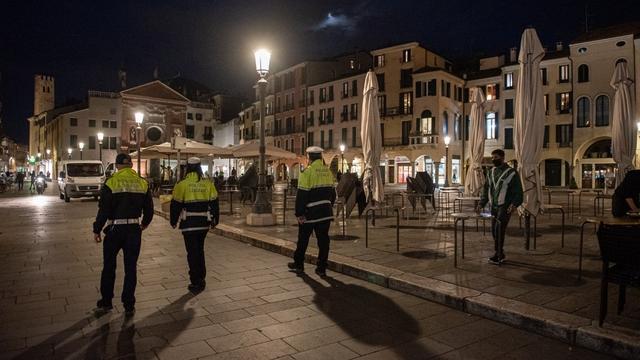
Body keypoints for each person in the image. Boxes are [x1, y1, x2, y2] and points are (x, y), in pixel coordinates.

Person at [92, 153, 154, 316]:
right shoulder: (142, 183)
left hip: (114, 230)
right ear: (131, 166)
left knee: (109, 267)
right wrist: (144, 224)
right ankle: (129, 304)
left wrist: (97, 229)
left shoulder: (111, 182)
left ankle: (106, 301)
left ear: (118, 166)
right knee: (131, 268)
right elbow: (149, 210)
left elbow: (103, 210)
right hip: (133, 229)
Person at [170, 157, 219, 293]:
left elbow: (175, 205)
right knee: (200, 250)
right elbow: (215, 203)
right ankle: (202, 277)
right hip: (204, 224)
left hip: (189, 224)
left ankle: (195, 281)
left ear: (187, 168)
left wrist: (173, 221)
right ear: (199, 167)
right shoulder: (208, 183)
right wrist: (215, 220)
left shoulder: (182, 184)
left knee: (192, 252)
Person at [288, 146, 336, 276]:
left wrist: (299, 213)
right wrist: (327, 205)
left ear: (309, 158)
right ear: (320, 157)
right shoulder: (328, 172)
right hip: (326, 213)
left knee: (303, 239)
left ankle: (299, 264)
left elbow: (302, 195)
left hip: (310, 213)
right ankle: (321, 267)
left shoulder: (307, 172)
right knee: (324, 241)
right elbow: (333, 195)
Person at [476, 149, 523, 265]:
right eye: (492, 157)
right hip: (494, 206)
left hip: (505, 206)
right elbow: (486, 189)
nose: (493, 160)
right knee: (494, 231)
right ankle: (499, 253)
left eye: (496, 157)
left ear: (502, 158)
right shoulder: (491, 172)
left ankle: (499, 254)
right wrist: (481, 203)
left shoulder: (512, 173)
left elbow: (518, 191)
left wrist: (514, 204)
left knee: (499, 230)